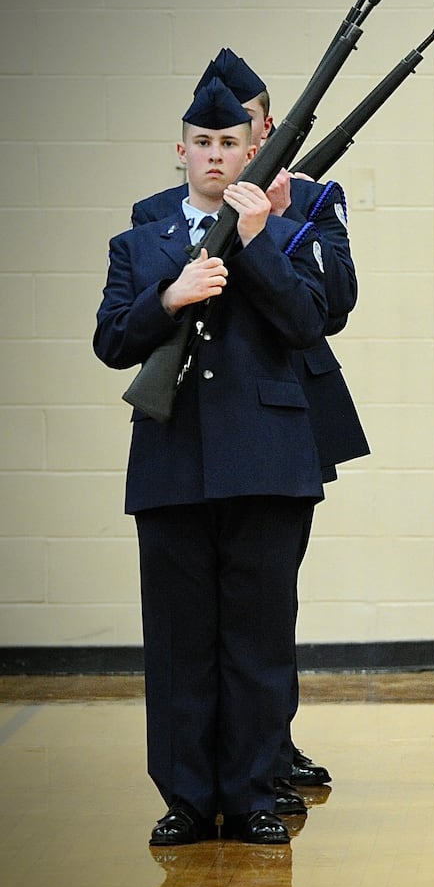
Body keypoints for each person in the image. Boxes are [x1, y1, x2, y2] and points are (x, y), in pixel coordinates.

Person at [94, 78, 329, 845]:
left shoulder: (280, 231)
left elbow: (308, 322)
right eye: (204, 142)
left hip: (266, 461)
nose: (217, 155)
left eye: (231, 143)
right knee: (179, 642)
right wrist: (169, 296)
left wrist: (257, 242)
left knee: (258, 641)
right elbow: (111, 341)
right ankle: (189, 799)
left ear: (252, 148)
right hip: (173, 462)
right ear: (182, 150)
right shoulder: (140, 244)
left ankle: (256, 793)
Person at [131, 48, 366, 799]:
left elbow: (330, 305)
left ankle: (263, 760)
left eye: (244, 131)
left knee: (262, 609)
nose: (228, 146)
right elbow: (127, 326)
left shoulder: (312, 197)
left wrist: (275, 224)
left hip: (278, 413)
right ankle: (204, 782)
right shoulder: (155, 216)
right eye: (209, 136)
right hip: (191, 424)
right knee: (194, 621)